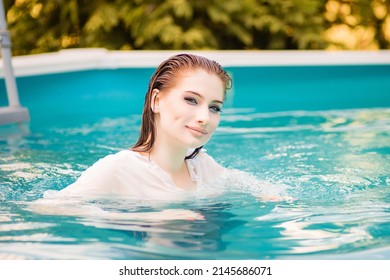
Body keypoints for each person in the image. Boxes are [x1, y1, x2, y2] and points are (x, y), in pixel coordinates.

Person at [53, 53, 232, 200]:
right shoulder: (118, 170)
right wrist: (141, 217)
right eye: (191, 100)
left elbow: (249, 187)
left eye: (214, 108)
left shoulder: (202, 166)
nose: (204, 118)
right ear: (157, 101)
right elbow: (47, 209)